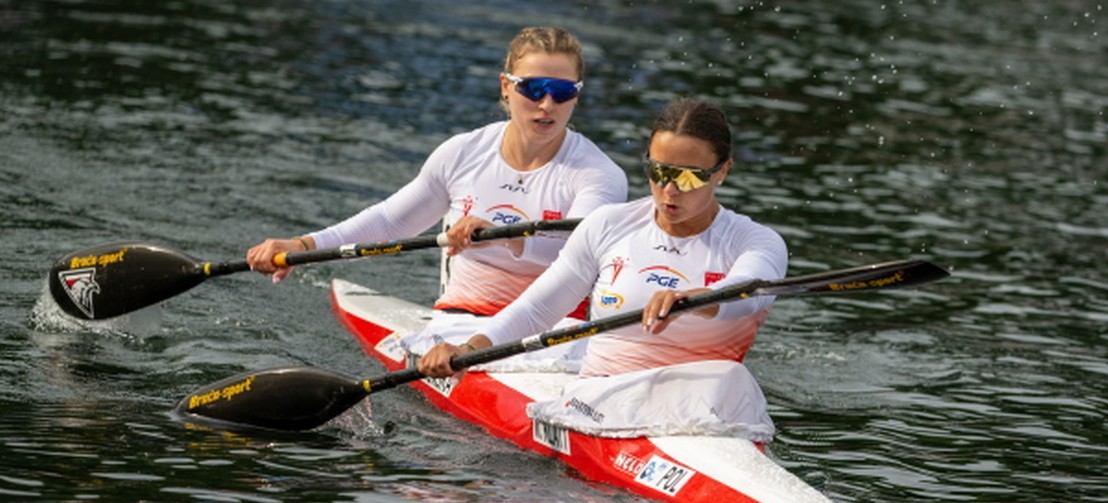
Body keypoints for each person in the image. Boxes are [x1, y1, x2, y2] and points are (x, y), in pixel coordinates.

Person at [245, 26, 627, 317]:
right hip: (462, 320)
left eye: (562, 91)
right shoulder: (462, 153)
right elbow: (388, 225)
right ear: (506, 87)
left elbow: (579, 256)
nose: (547, 104)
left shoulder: (598, 175)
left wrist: (501, 236)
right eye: (534, 87)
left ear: (576, 95)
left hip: (556, 334)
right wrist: (304, 246)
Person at [418, 97, 788, 382]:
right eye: (658, 172)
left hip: (701, 405)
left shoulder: (756, 242)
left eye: (689, 177)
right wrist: (469, 349)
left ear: (722, 171)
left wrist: (697, 300)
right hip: (600, 398)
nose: (669, 189)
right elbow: (536, 309)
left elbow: (749, 294)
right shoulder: (608, 225)